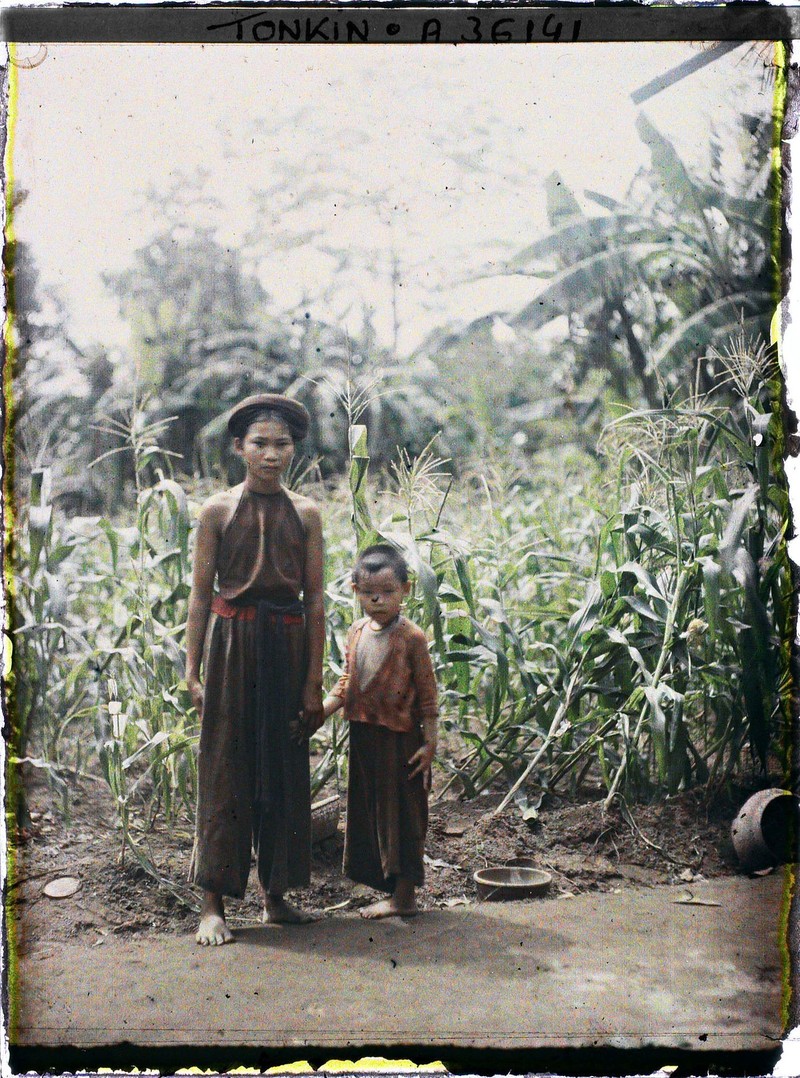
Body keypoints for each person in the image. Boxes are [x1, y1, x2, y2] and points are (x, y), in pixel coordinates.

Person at [186, 393, 325, 946]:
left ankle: (277, 896)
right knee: (225, 764)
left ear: (294, 448)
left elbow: (314, 600)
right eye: (260, 443)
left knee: (285, 763)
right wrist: (191, 669)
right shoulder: (217, 511)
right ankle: (213, 903)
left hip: (287, 642)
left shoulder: (307, 512)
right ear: (239, 447)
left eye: (282, 444)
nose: (272, 454)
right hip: (230, 642)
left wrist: (313, 683)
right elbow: (200, 595)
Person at [323, 544, 438, 919]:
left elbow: (428, 696)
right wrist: (320, 712)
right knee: (372, 811)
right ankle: (390, 888)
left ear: (406, 591)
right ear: (355, 591)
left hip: (400, 739)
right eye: (369, 592)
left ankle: (404, 897)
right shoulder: (357, 632)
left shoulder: (412, 638)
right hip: (364, 735)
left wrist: (431, 743)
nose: (378, 600)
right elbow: (347, 681)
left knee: (403, 813)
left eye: (389, 592)